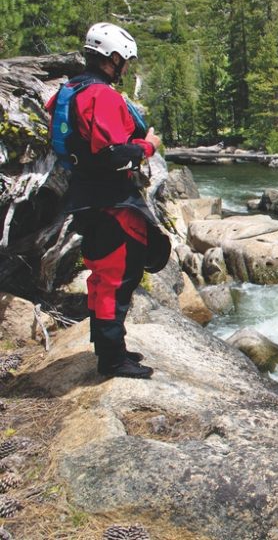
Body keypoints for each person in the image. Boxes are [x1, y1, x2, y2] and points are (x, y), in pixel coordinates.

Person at [47, 22, 170, 379]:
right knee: (117, 277)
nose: (125, 68)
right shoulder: (101, 96)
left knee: (104, 276)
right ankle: (112, 360)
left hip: (86, 196)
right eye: (124, 61)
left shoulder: (70, 89)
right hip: (110, 201)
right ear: (112, 58)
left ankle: (111, 348)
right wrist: (149, 146)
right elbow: (115, 155)